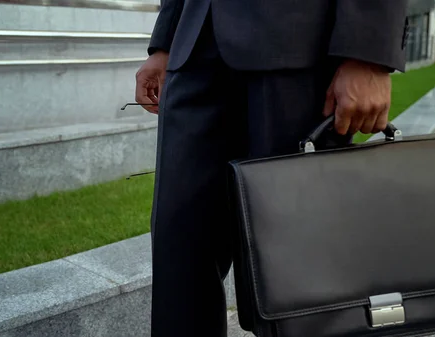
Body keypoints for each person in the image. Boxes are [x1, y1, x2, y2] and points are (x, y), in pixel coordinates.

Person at [135, 1, 408, 336]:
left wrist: (369, 51)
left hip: (301, 49)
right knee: (179, 258)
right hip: (193, 47)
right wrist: (165, 41)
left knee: (299, 272)